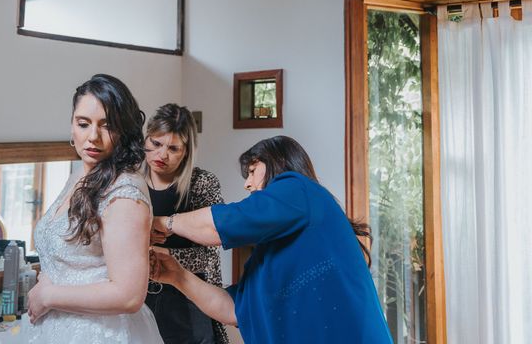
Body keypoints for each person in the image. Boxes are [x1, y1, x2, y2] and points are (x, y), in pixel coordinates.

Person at [151, 135, 393, 344]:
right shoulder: (268, 256)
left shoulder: (299, 189)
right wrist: (177, 275)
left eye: (253, 171)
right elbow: (233, 309)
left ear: (279, 162)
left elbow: (222, 225)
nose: (247, 184)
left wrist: (162, 222)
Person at [27, 74, 163, 344]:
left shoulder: (124, 194)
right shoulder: (81, 173)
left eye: (107, 126)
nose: (93, 137)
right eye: (83, 124)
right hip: (58, 328)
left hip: (100, 333)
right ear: (71, 127)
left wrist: (49, 296)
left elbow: (129, 295)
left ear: (123, 131)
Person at [142, 103, 229, 344]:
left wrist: (163, 256)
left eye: (173, 148)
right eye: (156, 144)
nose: (162, 155)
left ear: (186, 151)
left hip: (187, 298)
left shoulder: (202, 183)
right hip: (137, 296)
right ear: (146, 139)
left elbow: (210, 256)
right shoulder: (129, 180)